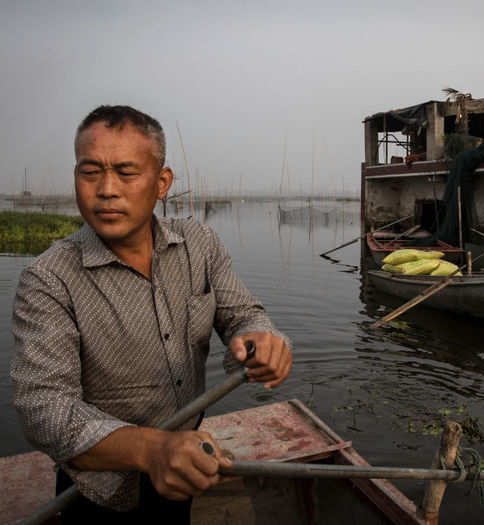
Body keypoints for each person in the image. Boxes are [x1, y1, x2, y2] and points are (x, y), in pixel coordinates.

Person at [10, 105, 293, 523]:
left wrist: (261, 341)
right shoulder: (49, 280)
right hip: (96, 487)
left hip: (184, 466)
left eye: (126, 173)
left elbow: (243, 315)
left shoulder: (200, 244)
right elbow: (44, 407)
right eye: (90, 172)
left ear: (162, 183)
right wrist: (152, 449)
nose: (106, 189)